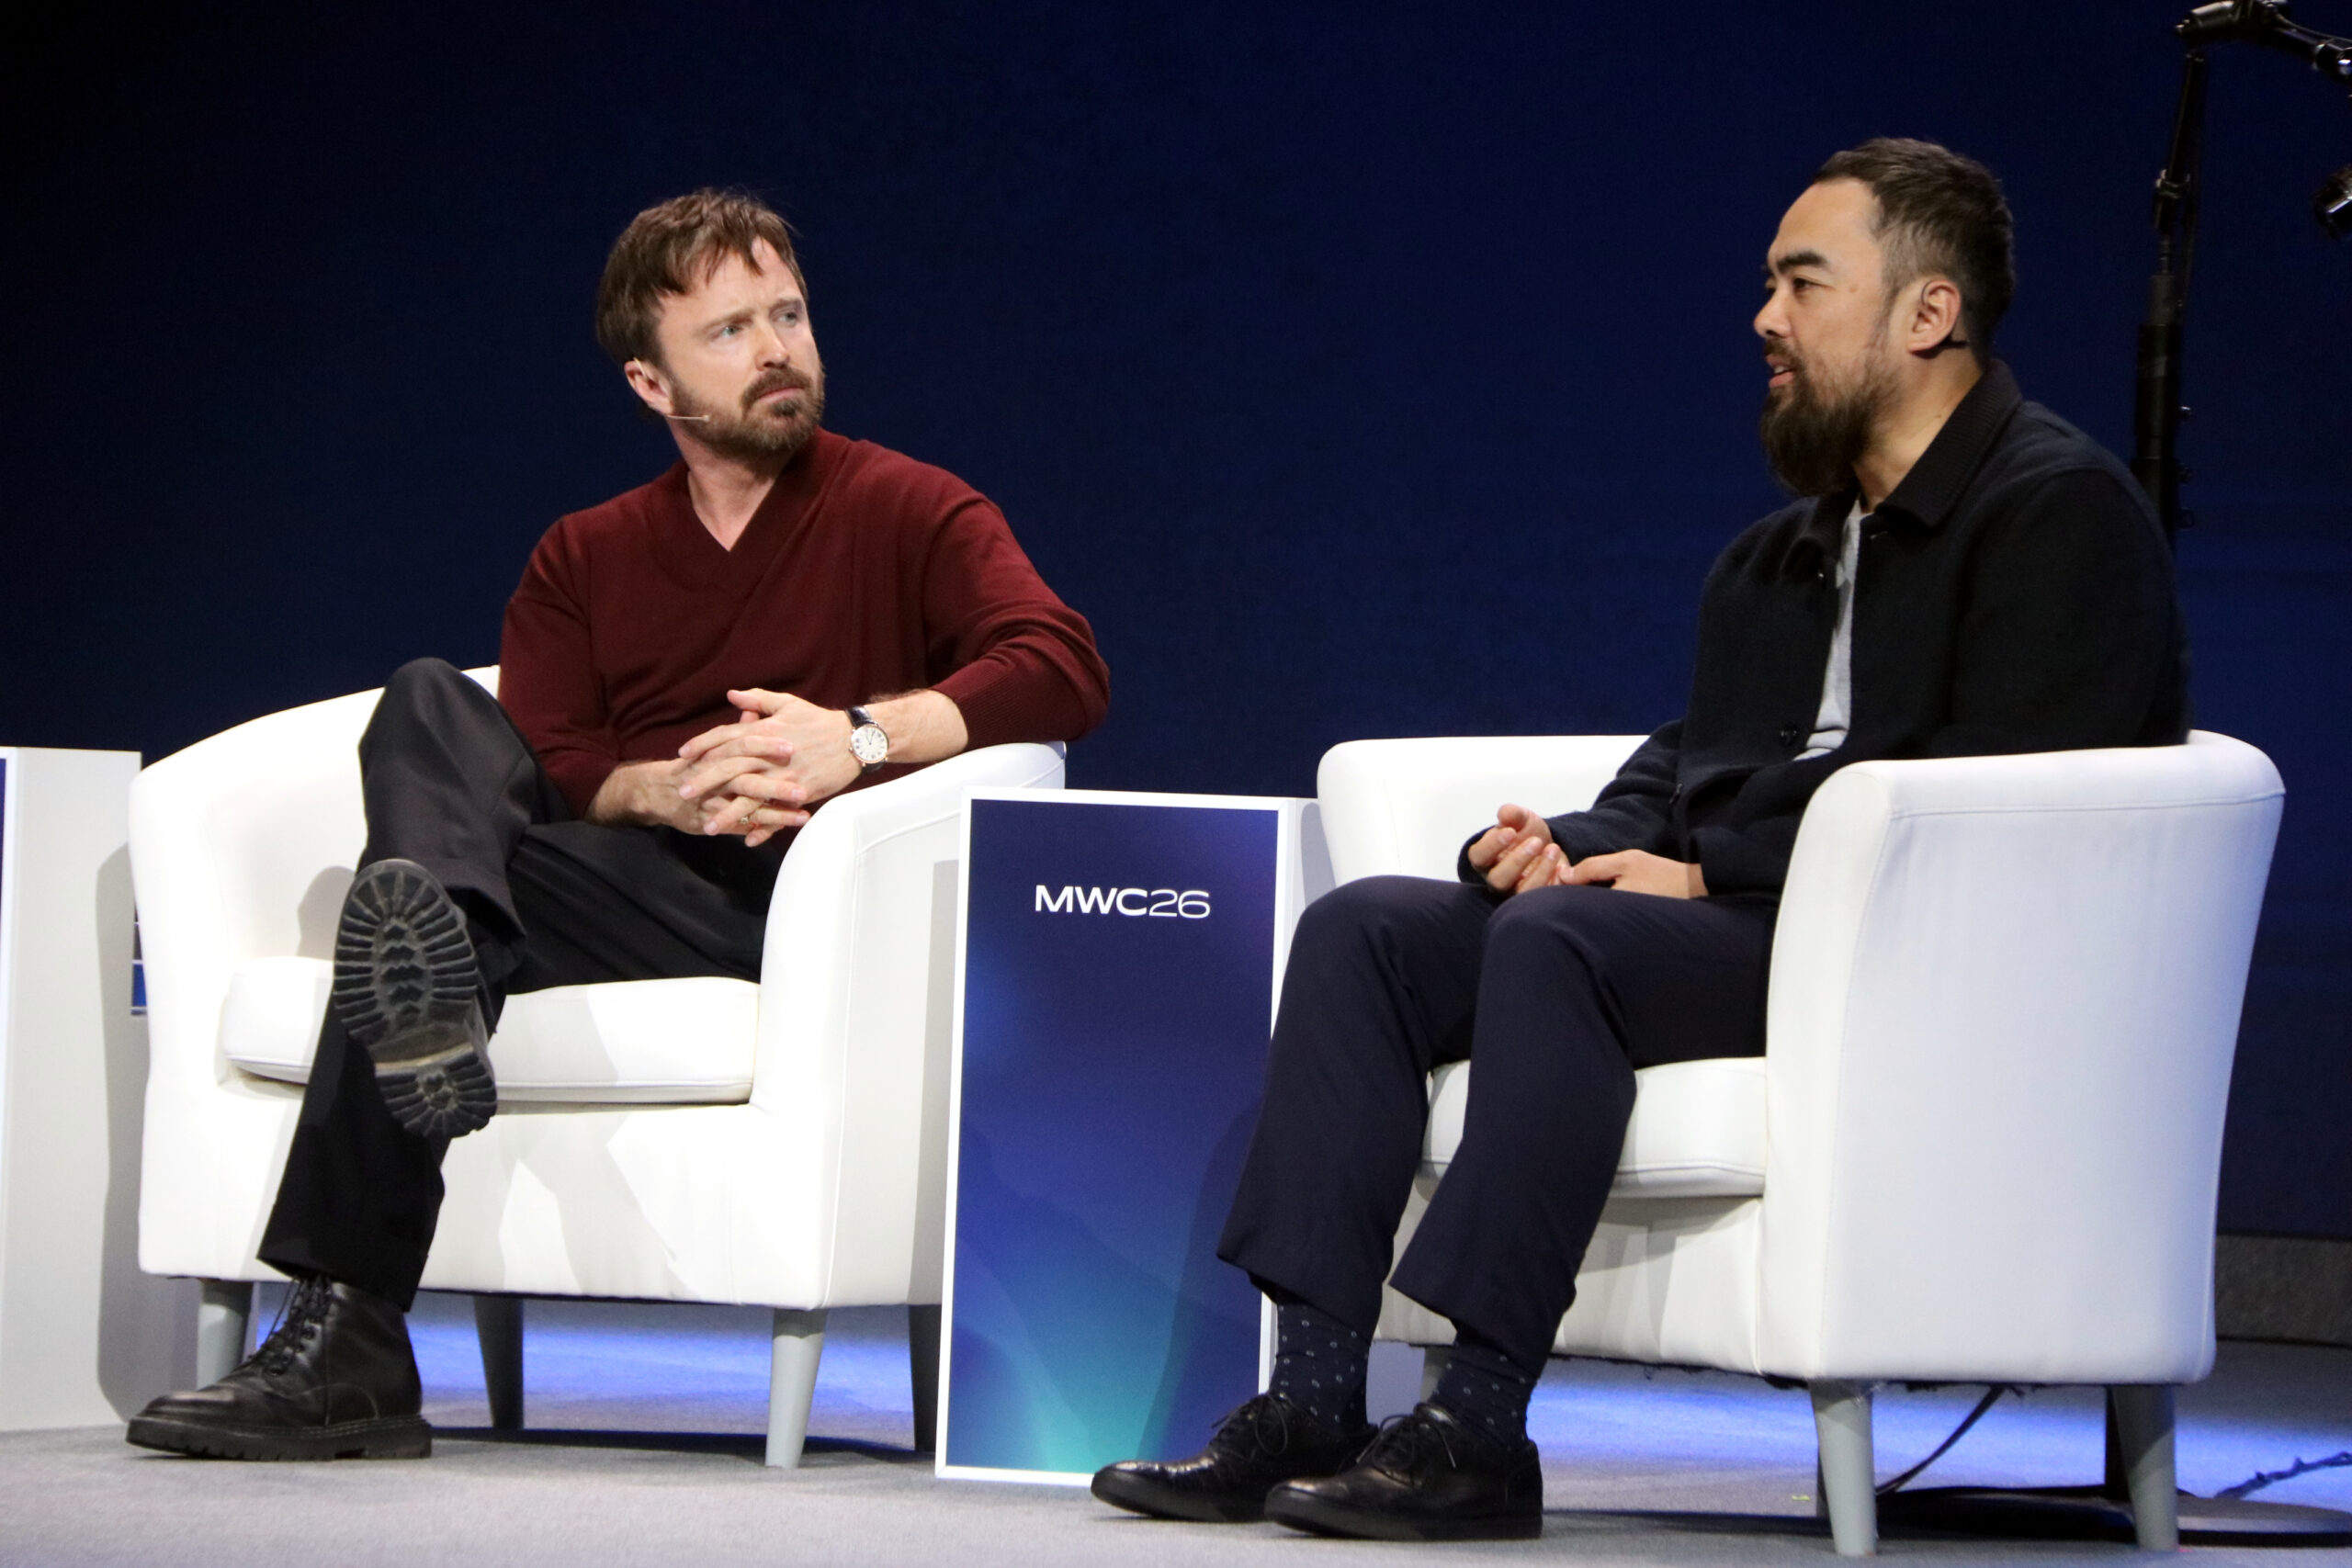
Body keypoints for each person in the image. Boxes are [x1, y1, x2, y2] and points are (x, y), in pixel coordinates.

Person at [1093, 138, 2188, 1541]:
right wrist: (1570, 842)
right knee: (1369, 931)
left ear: (1930, 313)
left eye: (1804, 283)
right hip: (1751, 926)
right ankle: (1311, 1398)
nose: (1765, 319)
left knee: (1567, 945)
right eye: (1769, 285)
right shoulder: (1782, 553)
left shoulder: (2057, 512)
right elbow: (1690, 763)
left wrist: (1708, 870)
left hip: (1914, 959)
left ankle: (1478, 1428)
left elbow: (1997, 806)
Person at [129, 190, 1111, 1461]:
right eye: (730, 332)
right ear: (651, 383)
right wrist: (658, 789)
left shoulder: (910, 508)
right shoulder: (584, 556)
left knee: (417, 895)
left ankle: (352, 1322)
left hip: (795, 900)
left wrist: (855, 739)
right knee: (427, 711)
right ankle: (431, 979)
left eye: (789, 316)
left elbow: (1062, 667)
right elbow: (550, 761)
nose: (777, 351)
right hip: (607, 883)